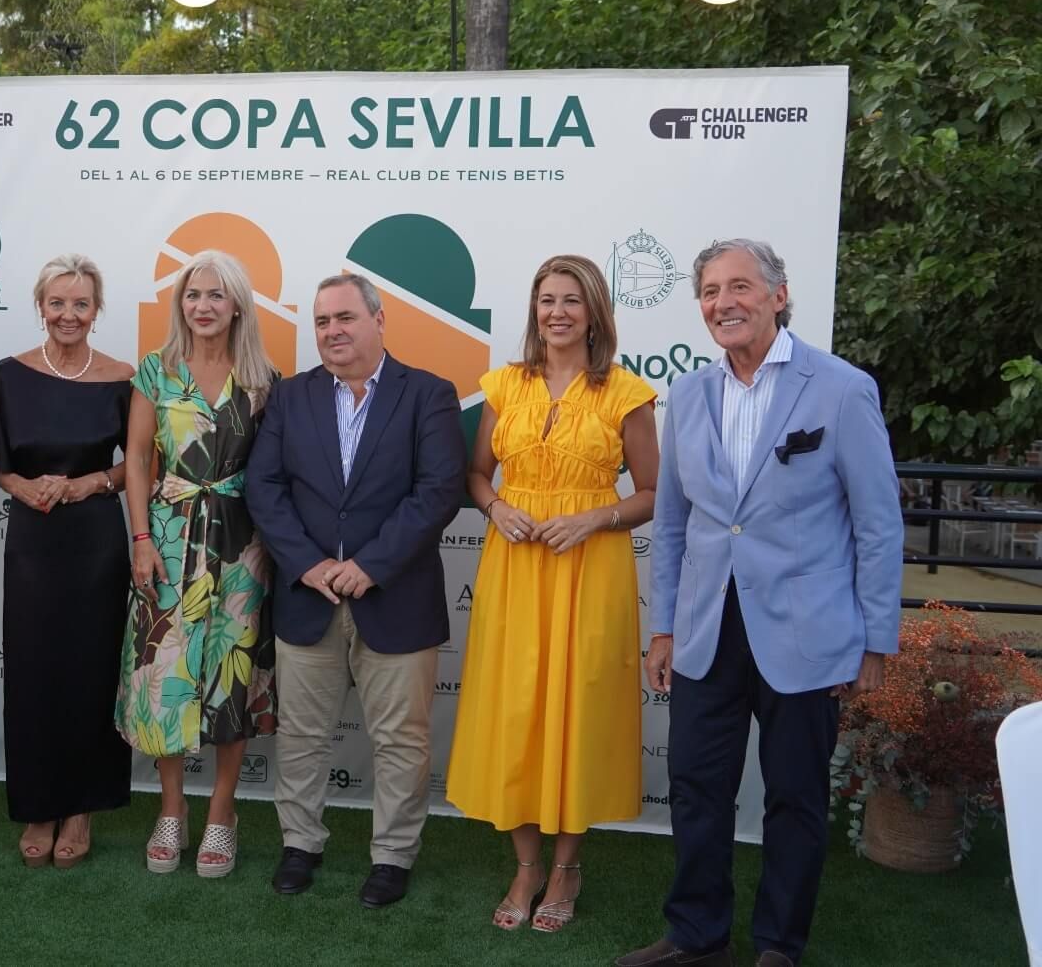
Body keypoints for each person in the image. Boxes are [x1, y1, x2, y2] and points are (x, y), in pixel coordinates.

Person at [616, 239, 902, 967]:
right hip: (707, 633)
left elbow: (876, 523)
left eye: (739, 286)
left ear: (778, 295)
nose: (723, 303)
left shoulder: (840, 389)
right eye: (710, 291)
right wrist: (663, 630)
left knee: (796, 801)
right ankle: (696, 935)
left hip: (808, 637)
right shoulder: (689, 394)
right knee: (695, 790)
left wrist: (876, 638)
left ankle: (780, 945)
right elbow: (675, 525)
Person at [447, 254, 659, 933]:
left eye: (571, 300)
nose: (558, 313)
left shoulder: (627, 393)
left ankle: (567, 866)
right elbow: (477, 474)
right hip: (515, 567)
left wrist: (596, 517)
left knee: (580, 710)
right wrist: (495, 508)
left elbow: (654, 494)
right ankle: (526, 866)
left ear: (595, 312)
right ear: (534, 310)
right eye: (546, 300)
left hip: (590, 567)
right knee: (519, 712)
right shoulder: (504, 386)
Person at [245, 272, 467, 909]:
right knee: (302, 735)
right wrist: (307, 564)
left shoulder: (429, 394)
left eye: (344, 318)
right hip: (307, 596)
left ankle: (393, 856)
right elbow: (265, 489)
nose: (332, 331)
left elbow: (438, 492)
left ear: (378, 320)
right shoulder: (291, 399)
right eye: (321, 322)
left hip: (394, 597)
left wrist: (370, 565)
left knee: (401, 741)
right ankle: (300, 844)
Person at [115, 250, 277, 879]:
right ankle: (173, 811)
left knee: (230, 677)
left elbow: (272, 471)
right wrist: (140, 538)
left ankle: (221, 815)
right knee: (165, 674)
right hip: (169, 539)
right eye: (192, 295)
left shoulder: (264, 378)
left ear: (237, 304)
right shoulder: (156, 371)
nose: (202, 306)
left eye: (215, 295)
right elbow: (134, 459)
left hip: (242, 547)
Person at [0, 254, 134, 868]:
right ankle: (40, 806)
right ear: (40, 306)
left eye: (81, 304)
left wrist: (89, 484)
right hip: (32, 539)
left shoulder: (123, 376)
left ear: (96, 311)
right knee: (34, 670)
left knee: (93, 670)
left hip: (97, 540)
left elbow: (140, 465)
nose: (68, 314)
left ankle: (81, 808)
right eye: (57, 302)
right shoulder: (8, 374)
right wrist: (22, 487)